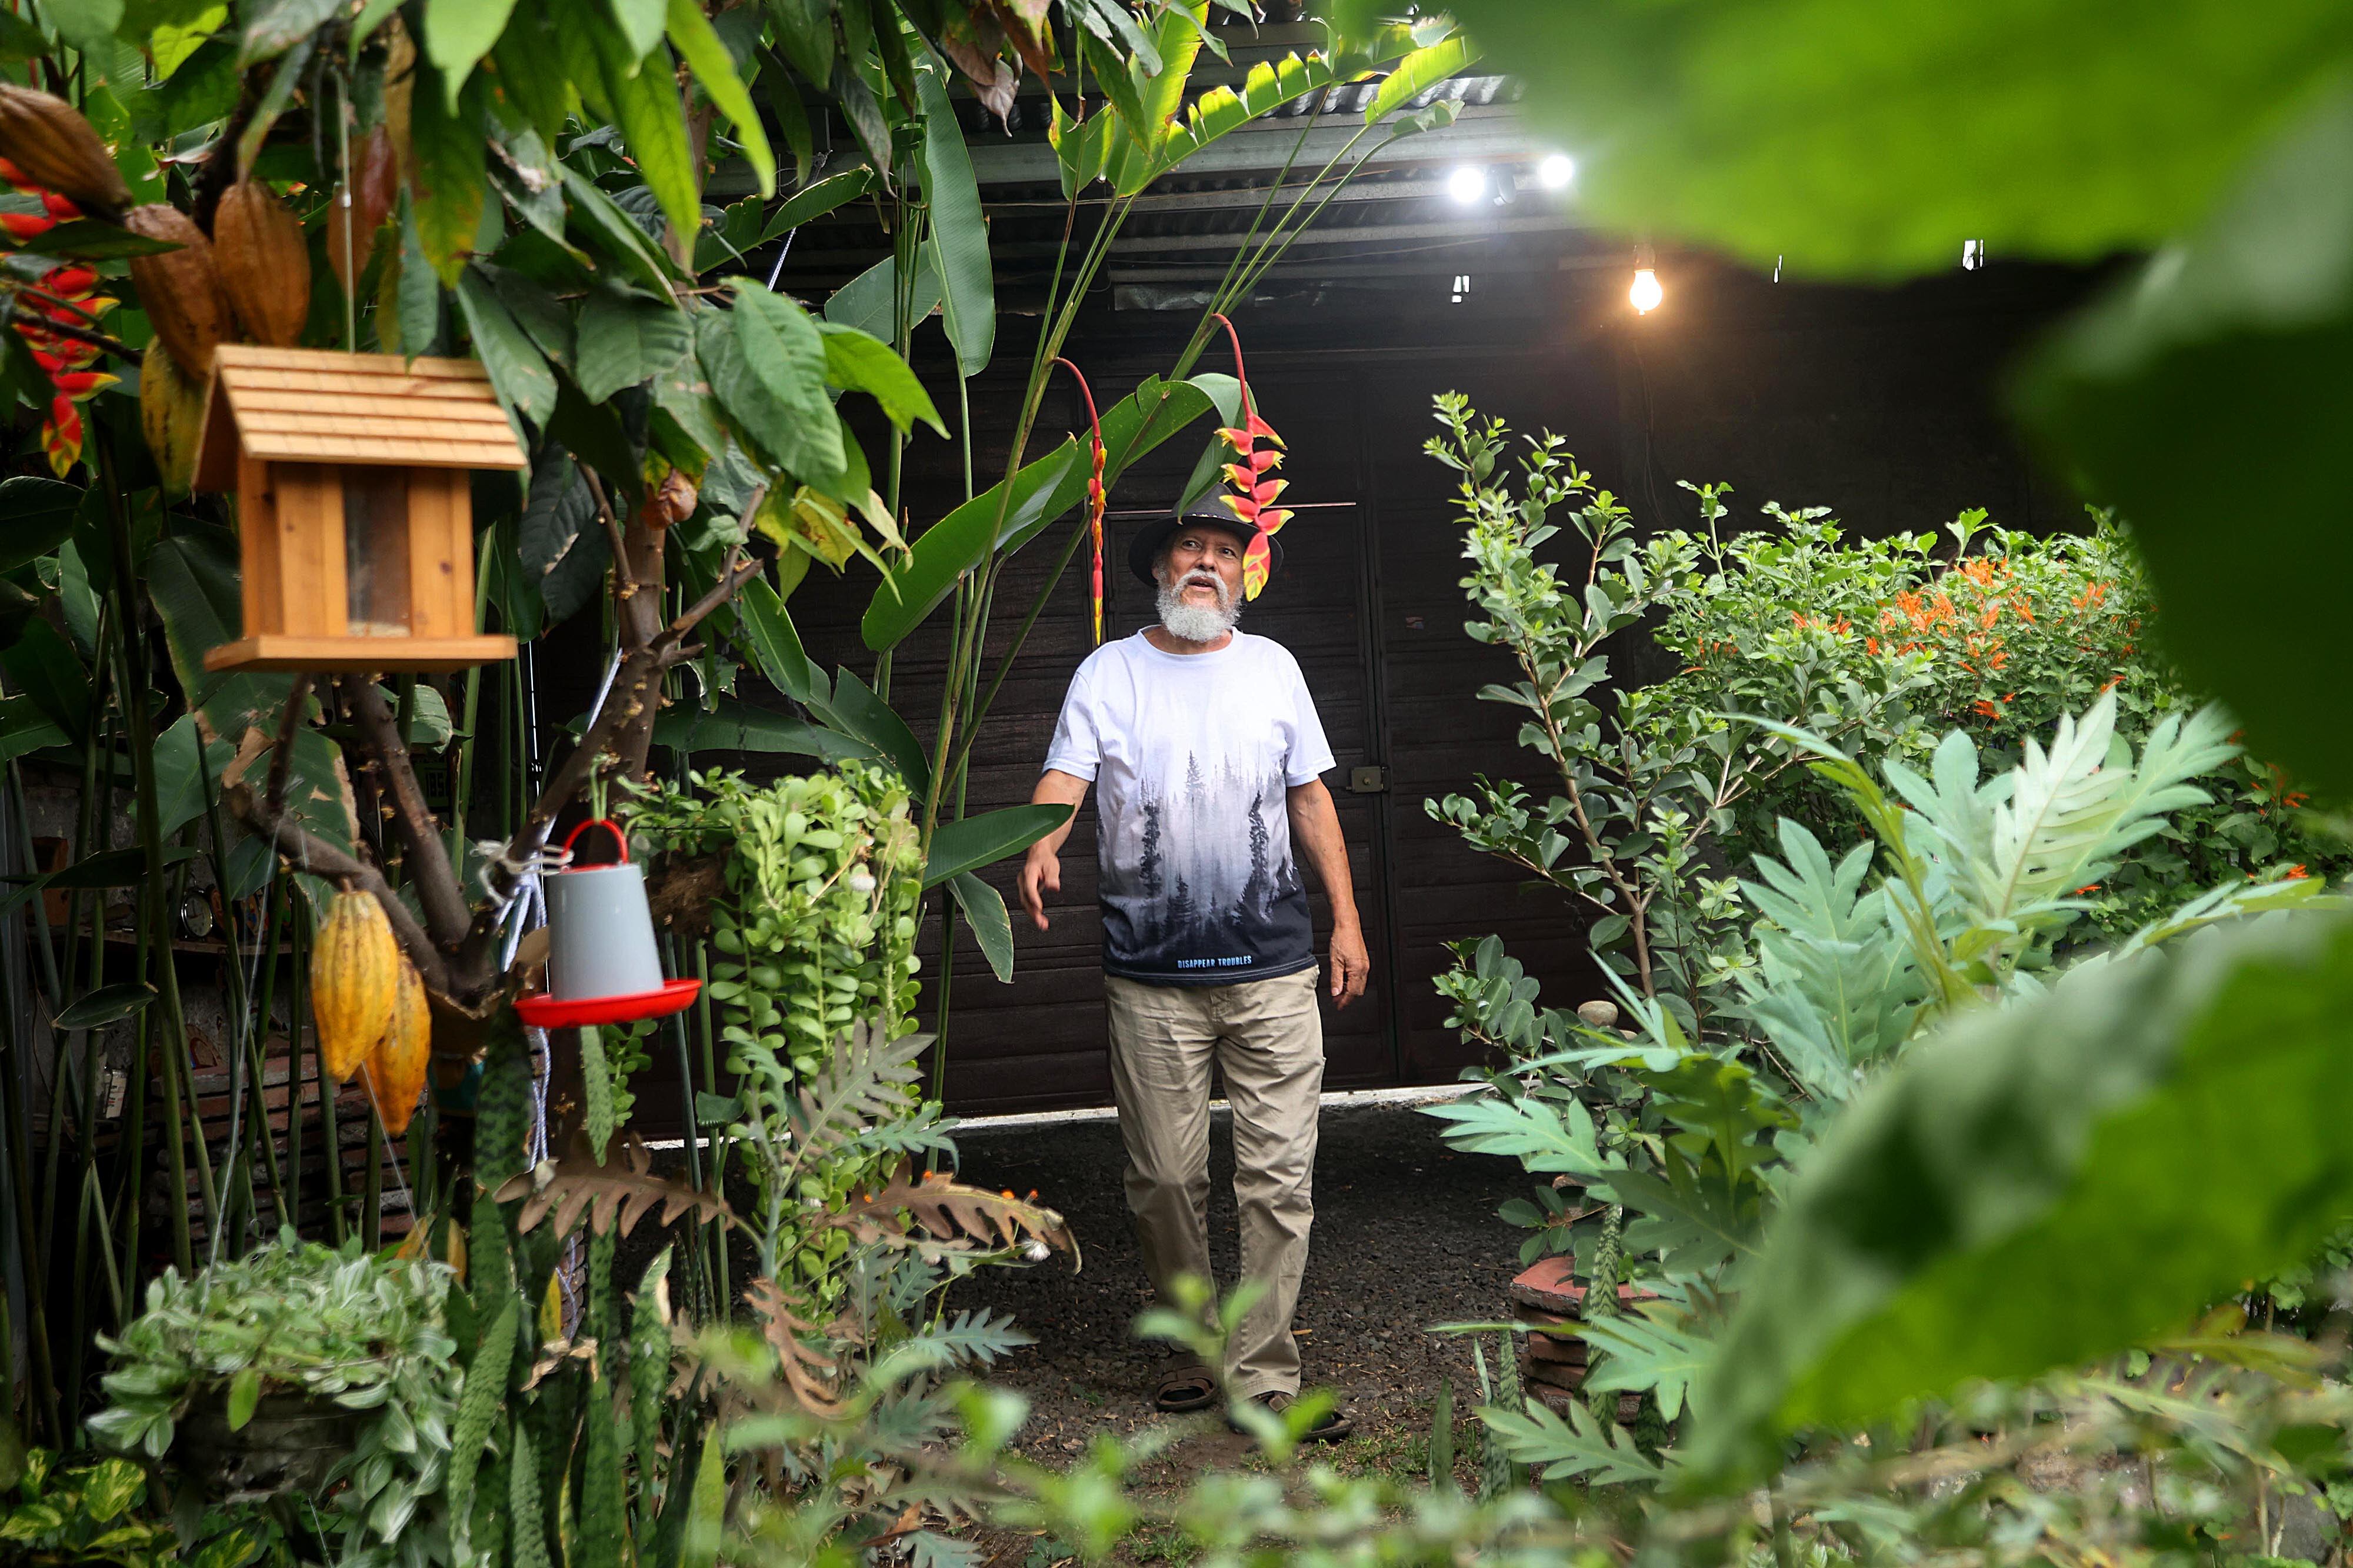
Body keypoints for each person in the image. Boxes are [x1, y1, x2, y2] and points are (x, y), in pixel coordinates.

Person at [1019, 505, 1371, 1440]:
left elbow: (1309, 795)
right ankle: (1197, 1347)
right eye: (1192, 550)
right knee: (1165, 1178)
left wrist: (1348, 919)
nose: (1209, 565)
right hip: (1150, 976)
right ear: (1161, 569)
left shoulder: (1274, 668)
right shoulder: (1111, 670)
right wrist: (1040, 842)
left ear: (1245, 577)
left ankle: (1262, 1376)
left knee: (1277, 1177)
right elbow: (1067, 776)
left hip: (1274, 968)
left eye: (1227, 553)